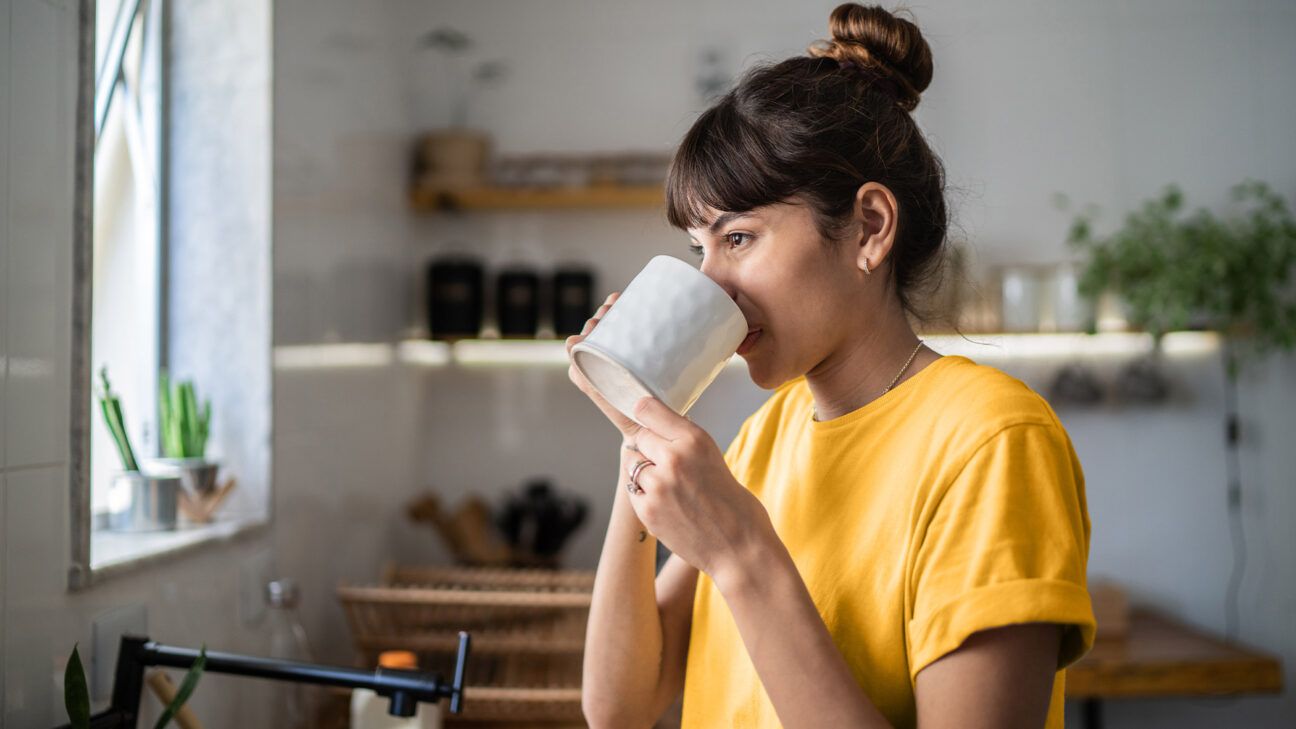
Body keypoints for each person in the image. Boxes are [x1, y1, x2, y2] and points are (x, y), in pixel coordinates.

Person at [567, 4, 1095, 728]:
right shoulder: (765, 437)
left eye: (741, 237)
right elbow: (620, 706)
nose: (709, 281)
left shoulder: (992, 441)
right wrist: (641, 421)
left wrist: (744, 555)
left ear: (870, 229)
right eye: (700, 248)